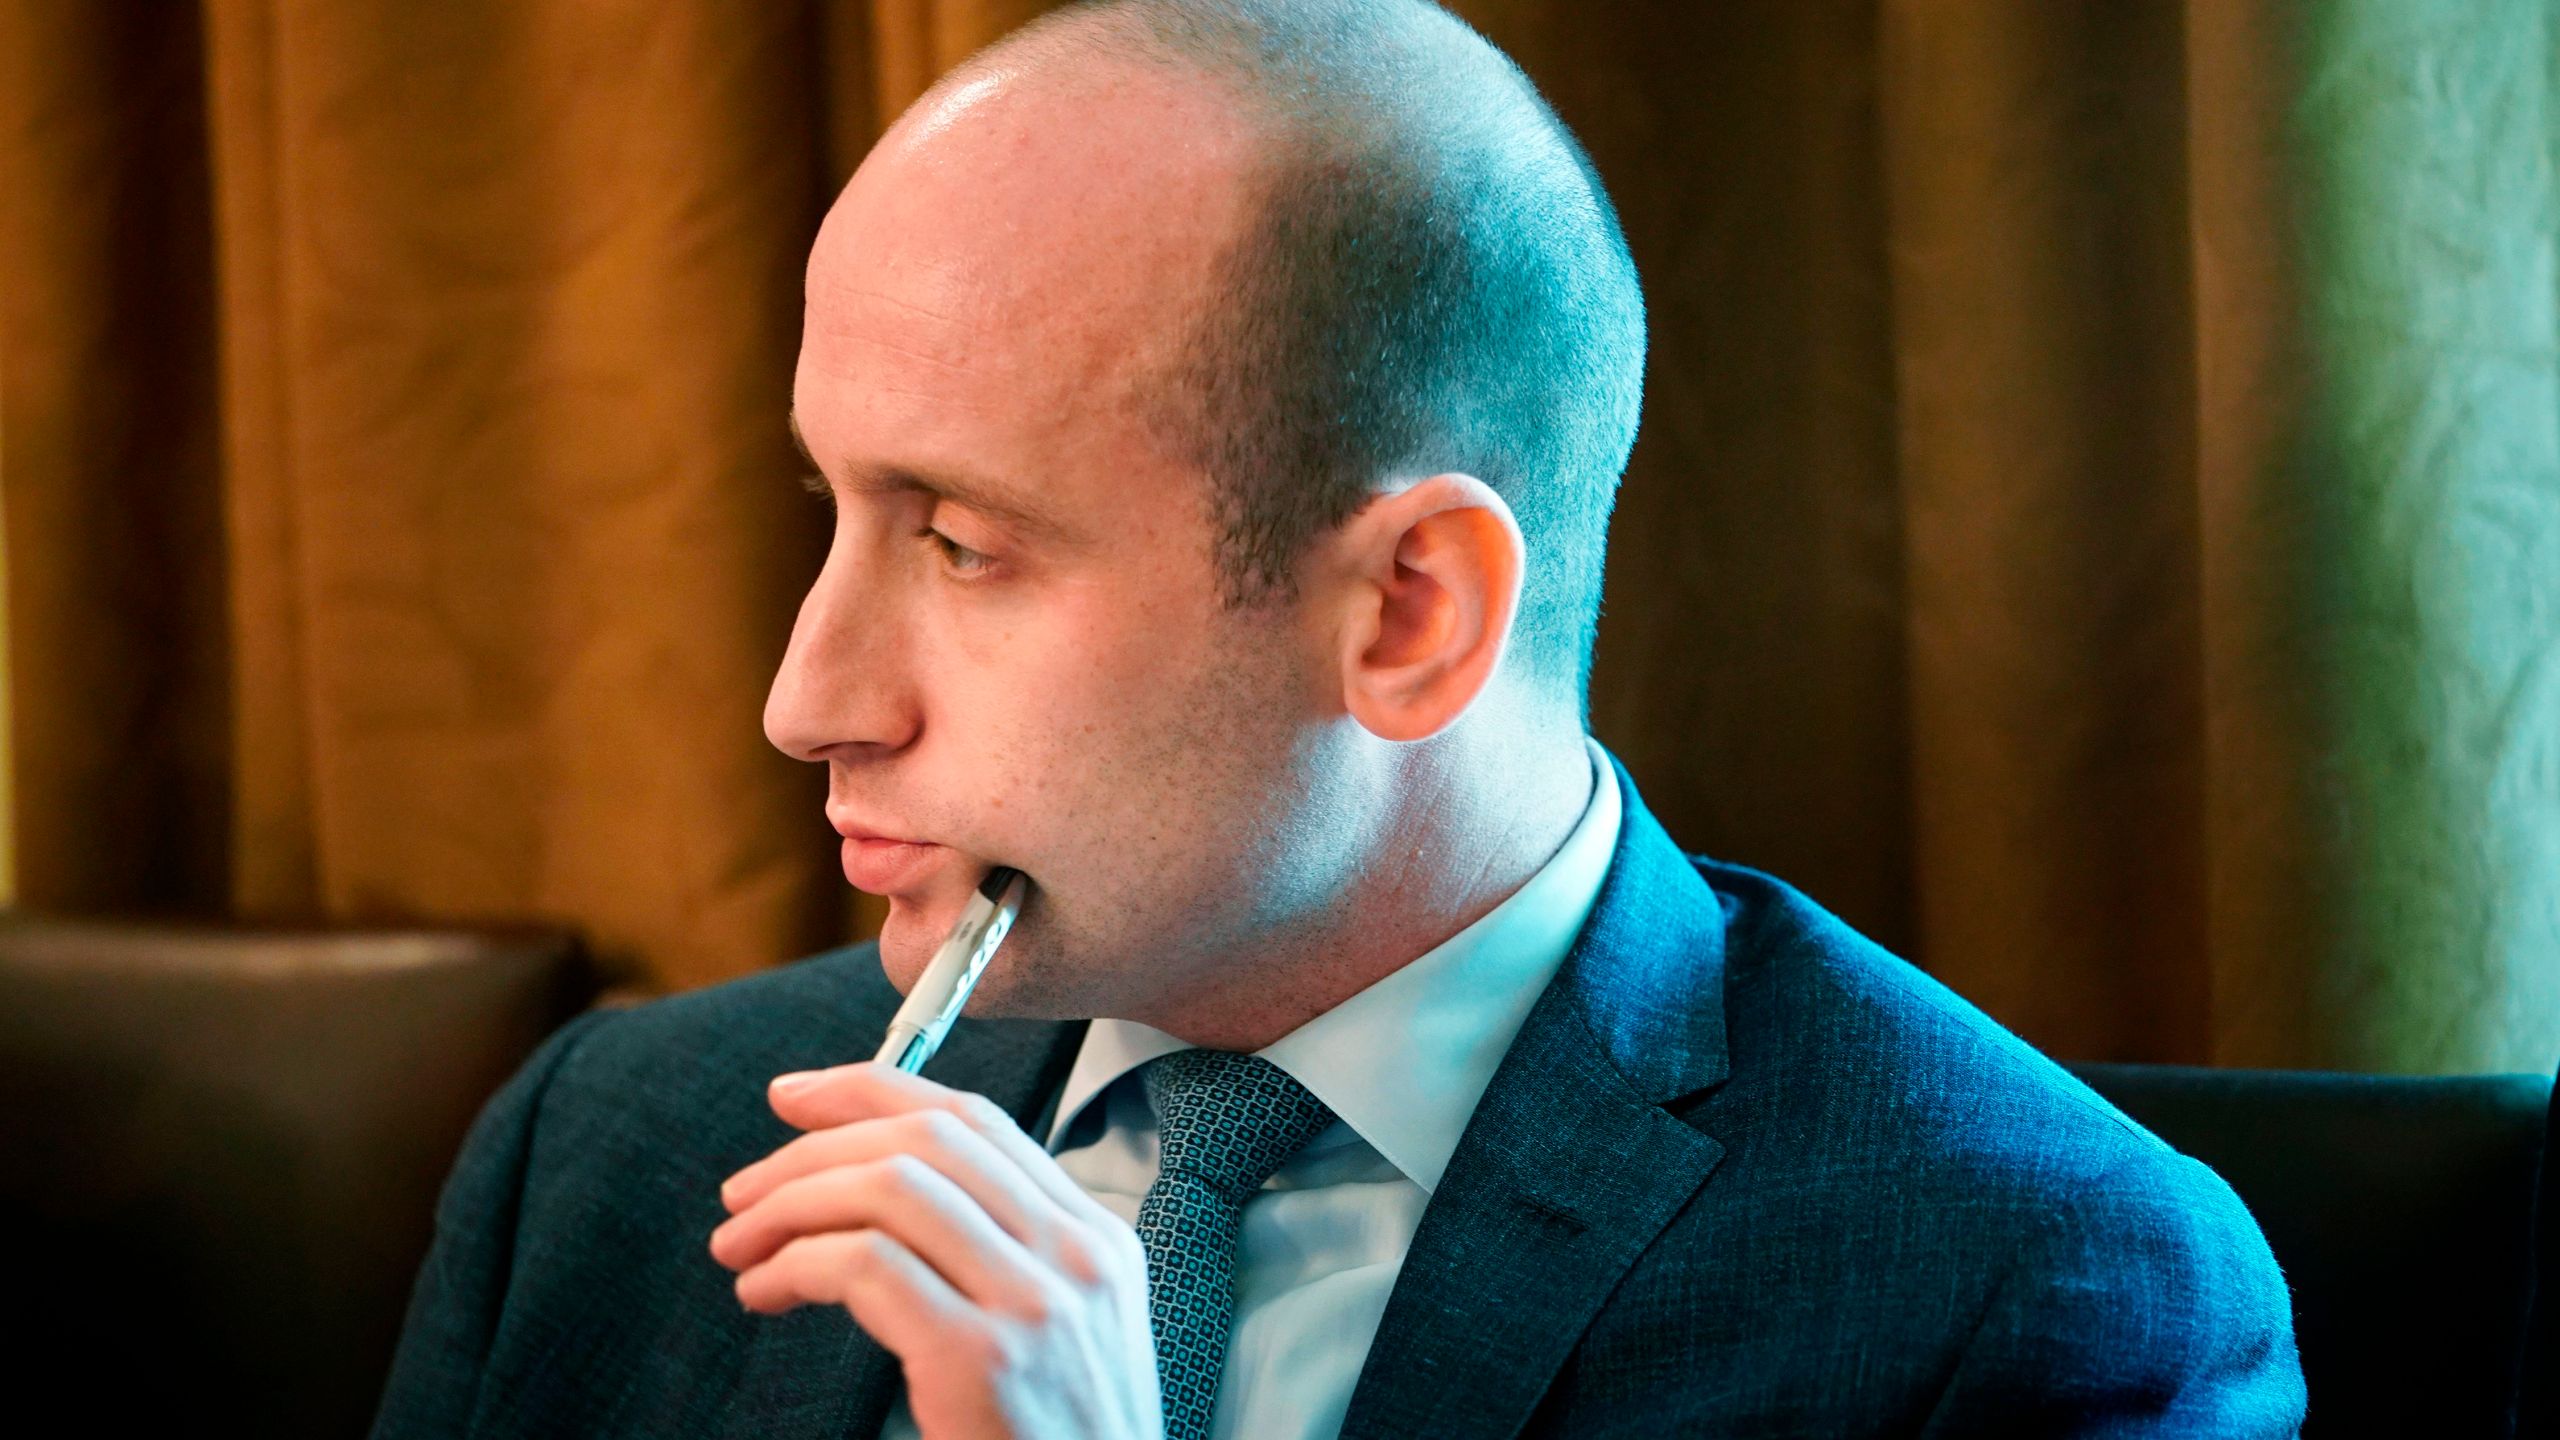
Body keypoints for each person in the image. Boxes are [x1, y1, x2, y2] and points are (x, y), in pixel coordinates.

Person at [370, 1, 2308, 1436]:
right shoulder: (608, 1160)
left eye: (958, 544)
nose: (806, 701)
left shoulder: (2032, 1300)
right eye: (836, 508)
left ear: (1405, 613)